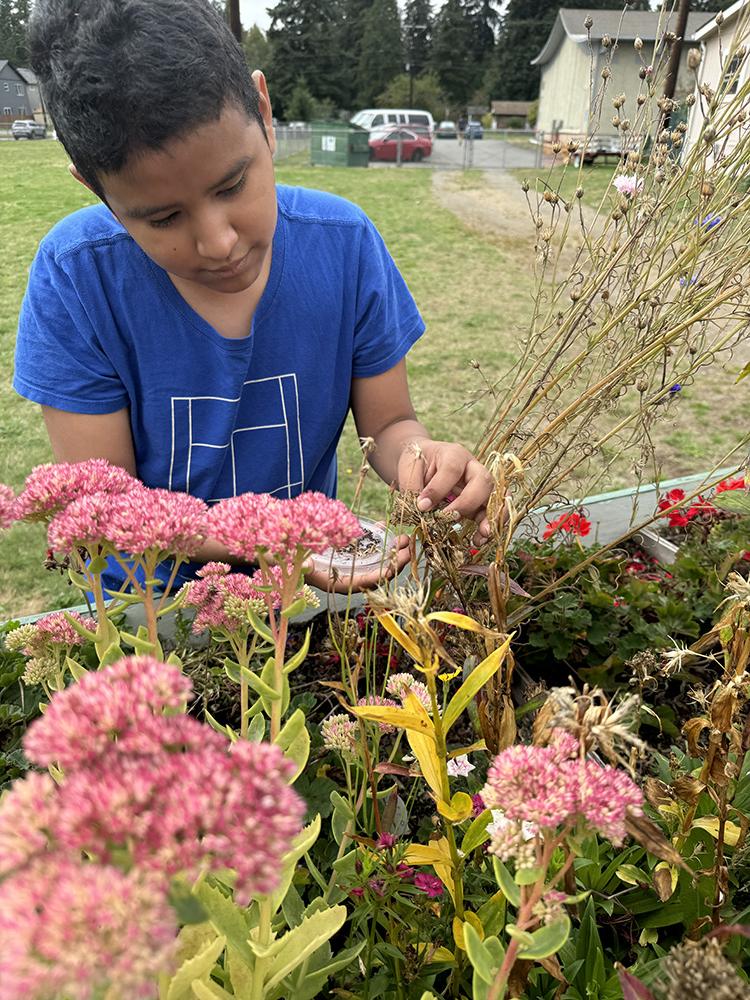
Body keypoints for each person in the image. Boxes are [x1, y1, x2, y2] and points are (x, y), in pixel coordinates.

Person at [14, 0, 494, 594]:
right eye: (162, 217)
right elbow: (110, 506)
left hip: (307, 596)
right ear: (95, 189)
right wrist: (277, 538)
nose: (218, 242)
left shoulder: (345, 245)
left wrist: (425, 463)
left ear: (263, 110)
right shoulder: (77, 279)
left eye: (232, 184)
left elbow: (391, 422)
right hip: (150, 613)